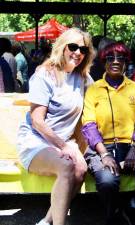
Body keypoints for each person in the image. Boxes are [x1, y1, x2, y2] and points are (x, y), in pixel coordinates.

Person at [16, 28, 95, 225]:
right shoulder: (45, 74)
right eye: (73, 47)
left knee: (80, 169)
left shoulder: (83, 78)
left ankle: (46, 221)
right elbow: (37, 120)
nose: (78, 53)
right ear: (63, 47)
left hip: (63, 142)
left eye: (83, 49)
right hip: (35, 141)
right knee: (67, 166)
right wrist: (65, 146)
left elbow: (100, 97)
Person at [81, 41, 135, 225]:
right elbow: (89, 126)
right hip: (102, 147)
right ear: (103, 62)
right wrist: (104, 154)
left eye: (120, 58)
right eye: (110, 58)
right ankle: (113, 212)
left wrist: (134, 149)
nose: (115, 61)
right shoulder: (93, 90)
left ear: (126, 62)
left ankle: (133, 206)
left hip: (133, 145)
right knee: (107, 180)